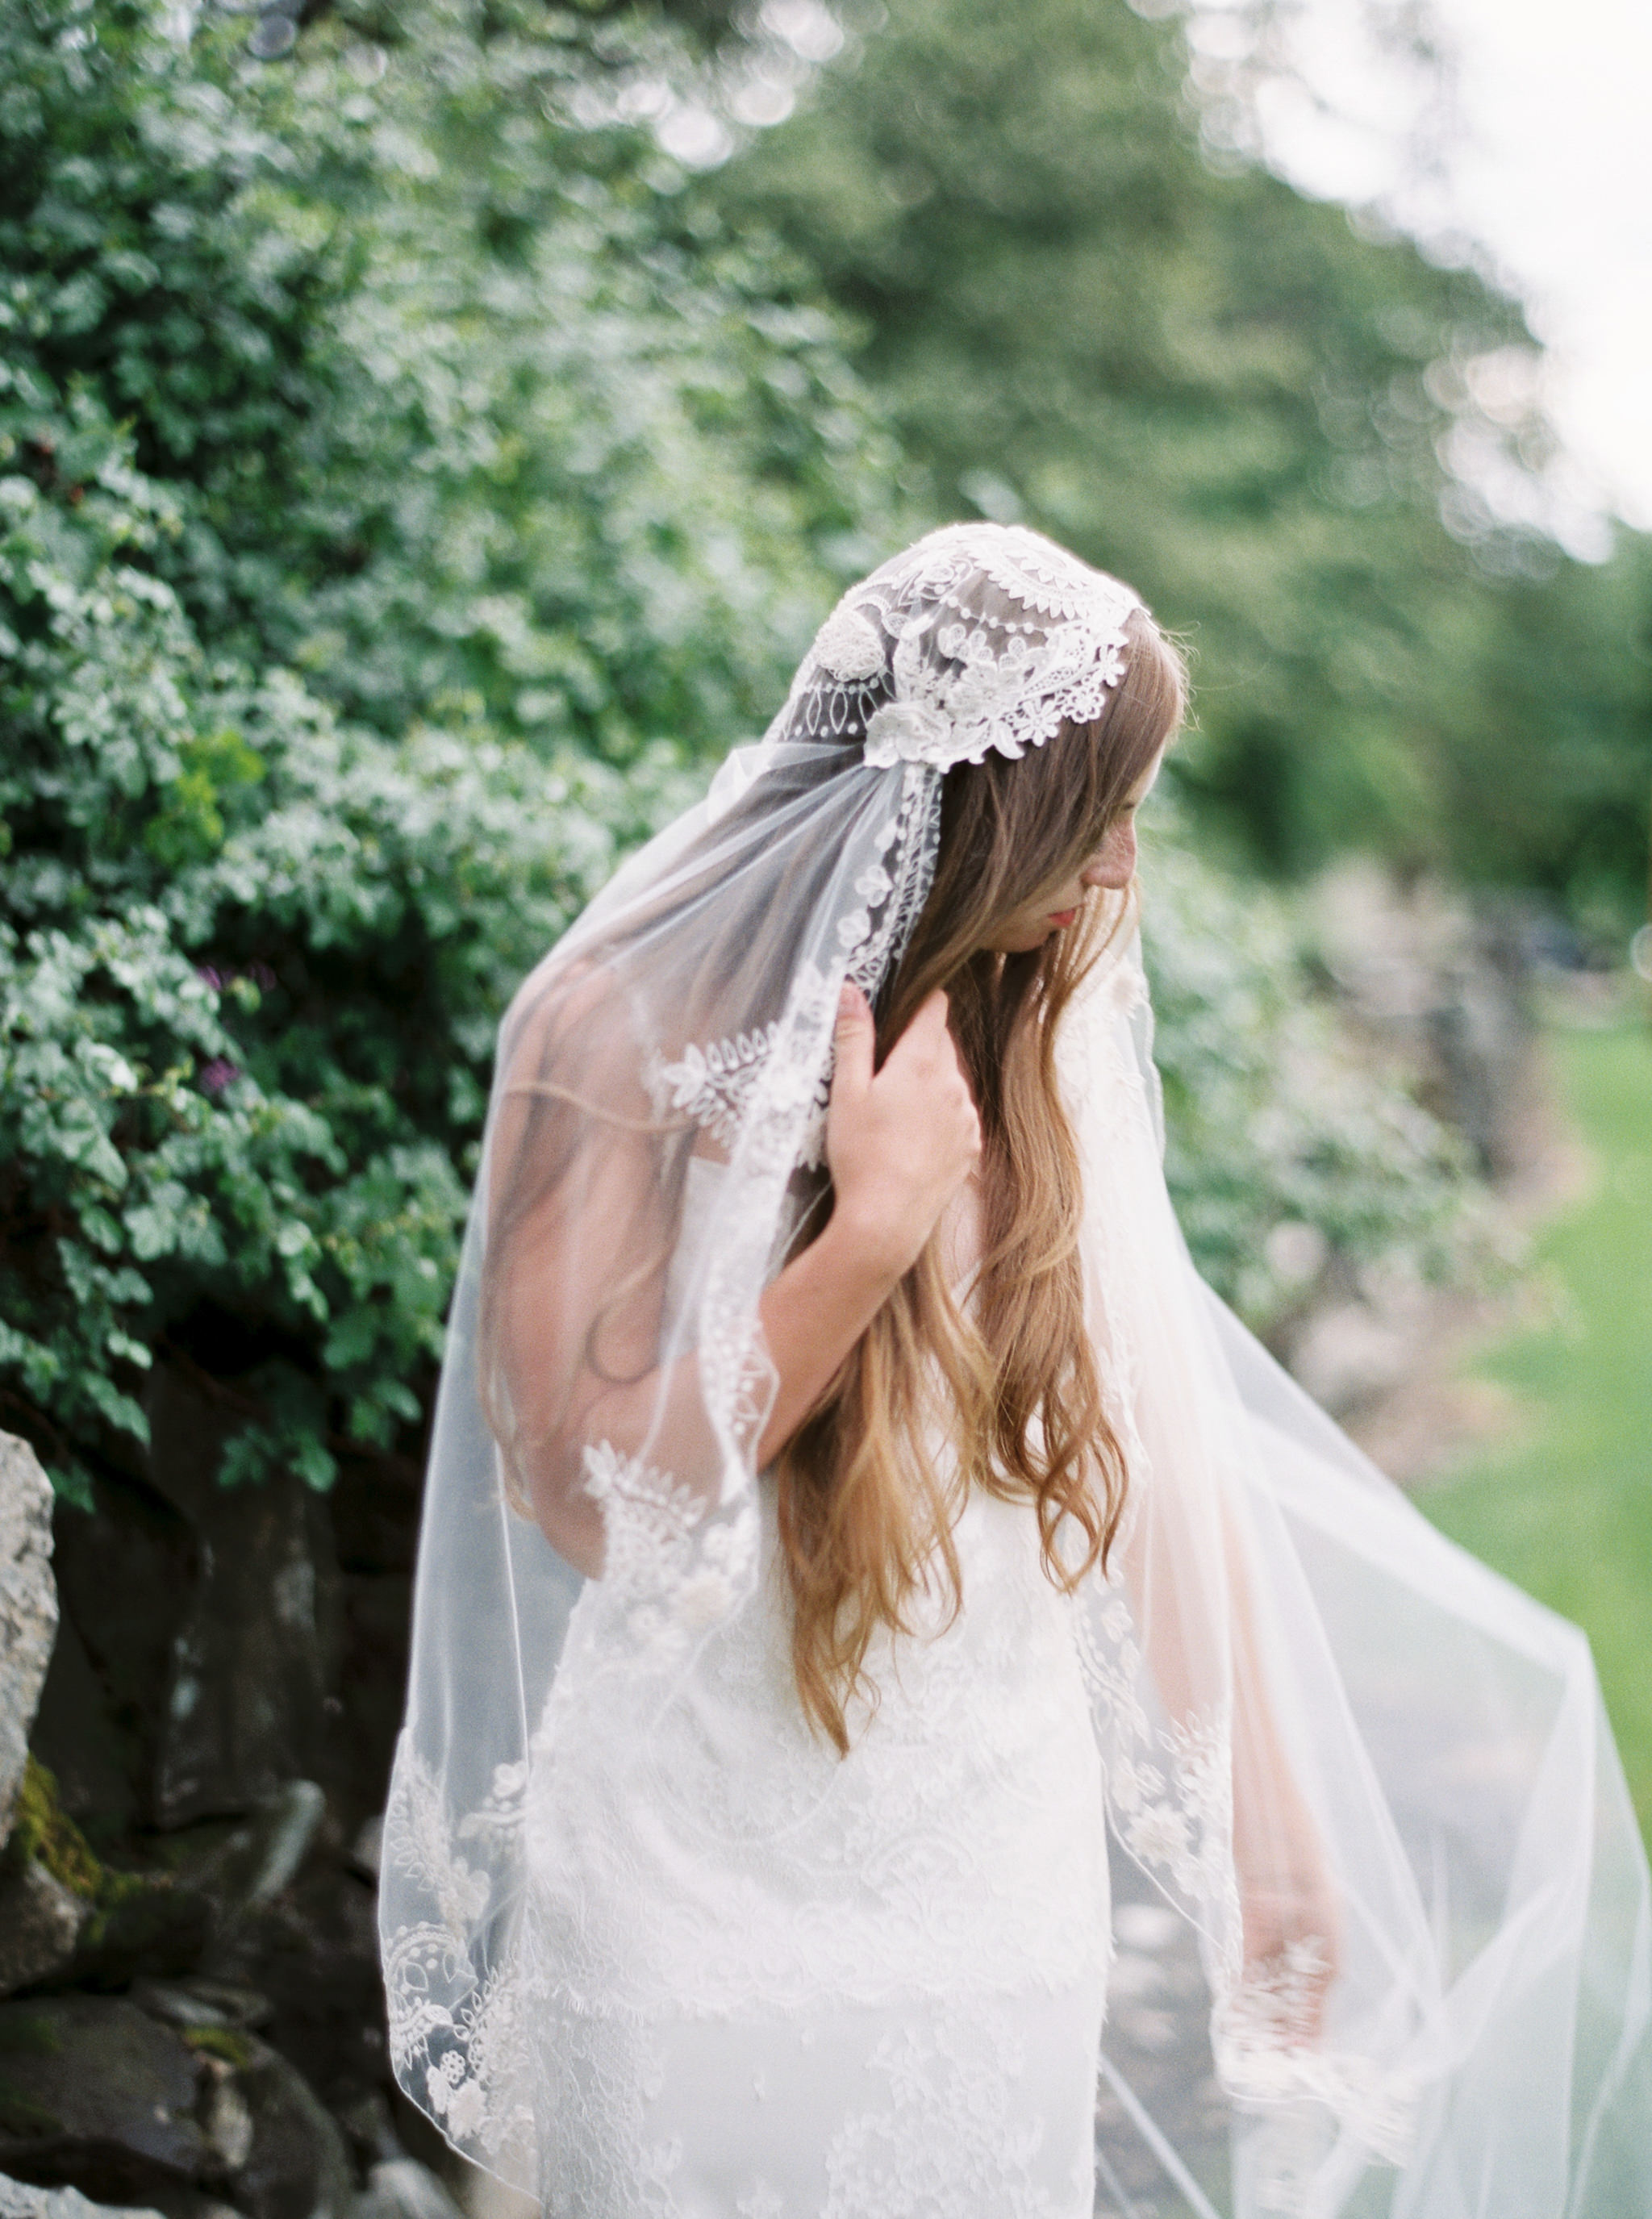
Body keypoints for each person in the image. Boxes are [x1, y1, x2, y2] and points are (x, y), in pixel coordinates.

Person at [380, 524, 1652, 2219]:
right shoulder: (606, 1023)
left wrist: (1270, 1820)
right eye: (1098, 806)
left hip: (984, 1860)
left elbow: (1157, 1456)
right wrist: (867, 1235)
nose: (1121, 867)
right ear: (985, 797)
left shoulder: (1033, 1028)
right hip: (689, 1873)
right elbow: (592, 1503)